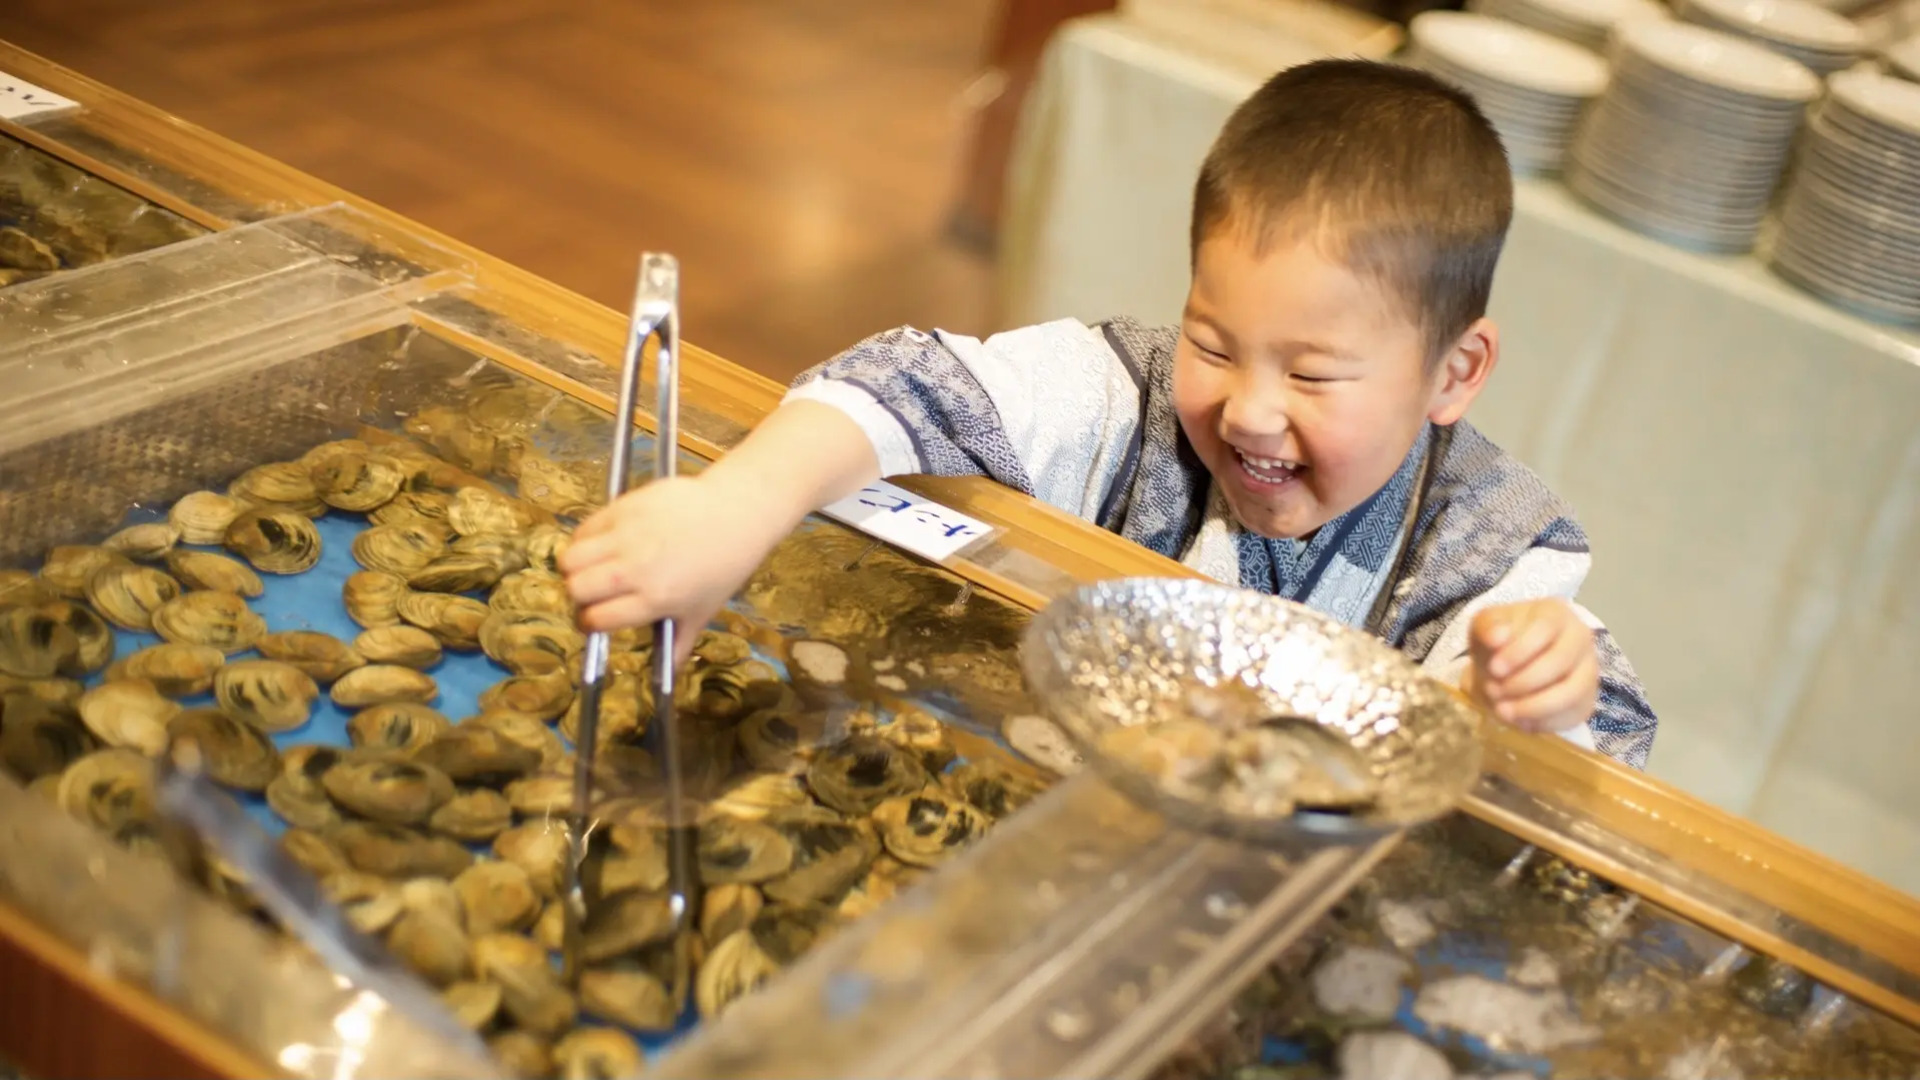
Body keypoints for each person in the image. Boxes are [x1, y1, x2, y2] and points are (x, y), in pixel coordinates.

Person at [561, 59, 1658, 768]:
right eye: (1215, 344)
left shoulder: (1496, 543)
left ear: (1456, 372)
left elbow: (1599, 728)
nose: (1252, 413)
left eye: (1315, 375)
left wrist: (1543, 686)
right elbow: (912, 382)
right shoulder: (1125, 397)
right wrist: (738, 508)